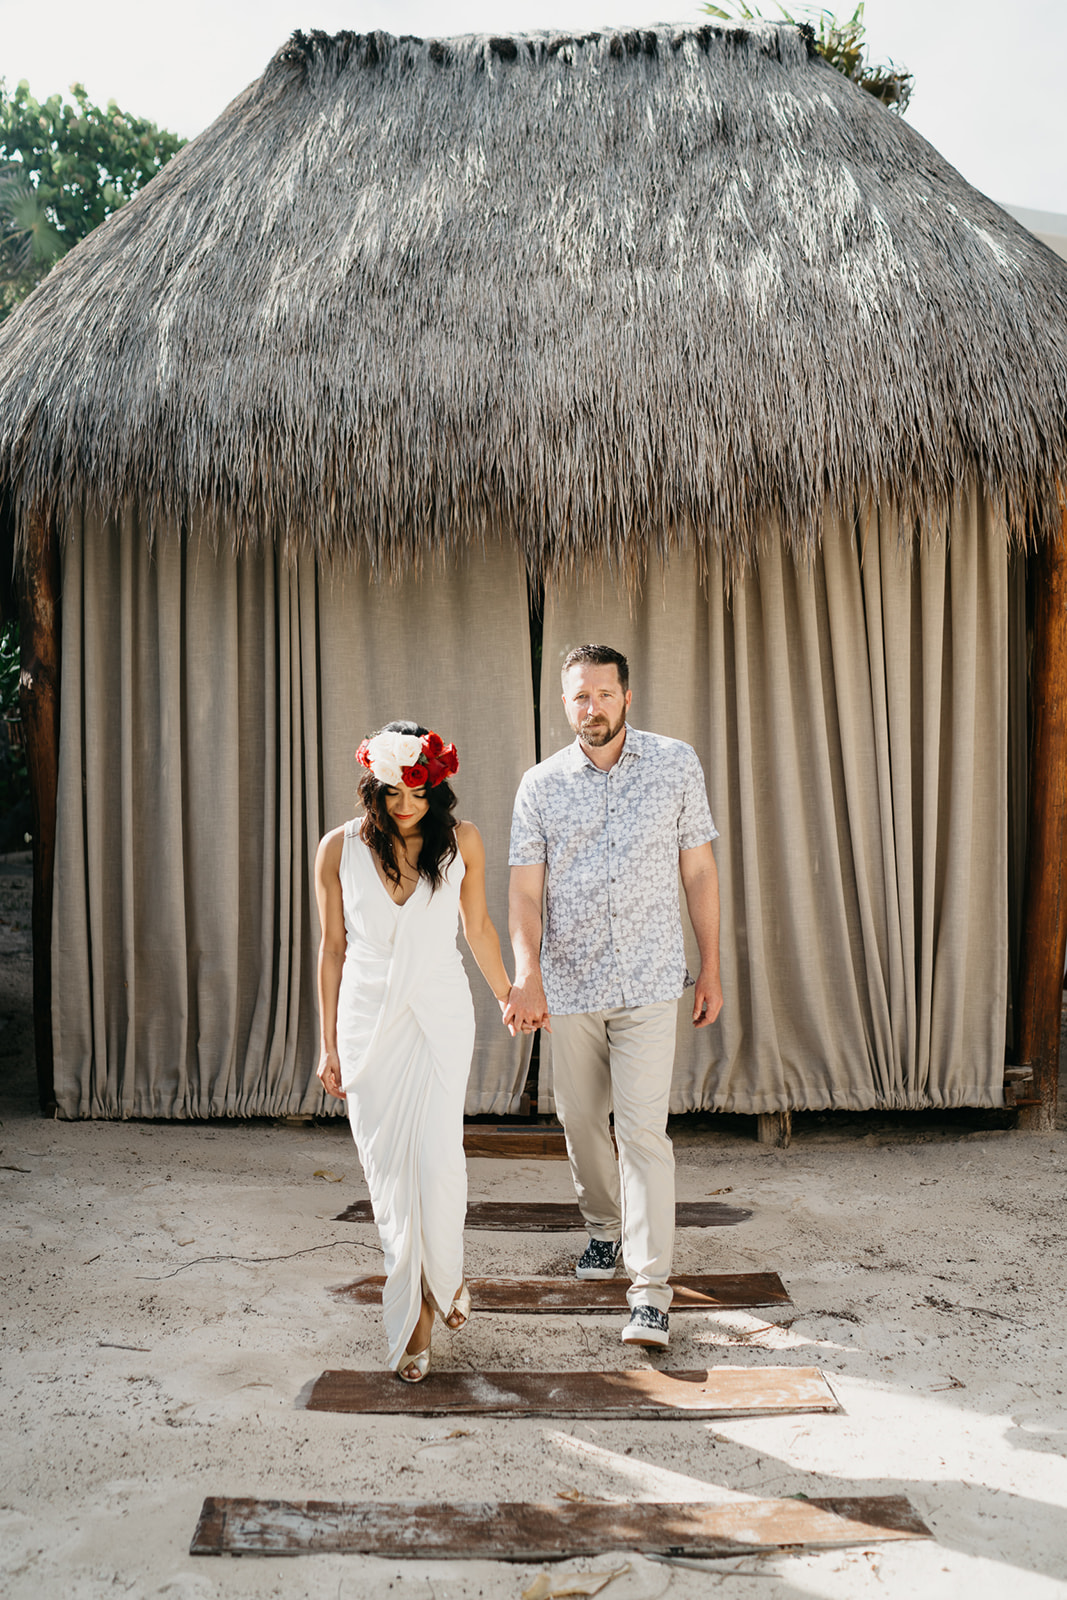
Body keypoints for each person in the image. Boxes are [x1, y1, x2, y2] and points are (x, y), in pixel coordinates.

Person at [505, 645, 722, 1349]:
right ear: (563, 704)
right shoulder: (538, 785)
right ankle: (601, 1228)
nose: (590, 708)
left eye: (602, 694)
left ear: (626, 697)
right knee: (577, 1122)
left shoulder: (675, 764)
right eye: (578, 697)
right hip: (570, 986)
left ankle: (649, 1291)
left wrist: (711, 964)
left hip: (652, 982)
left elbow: (697, 872)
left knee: (640, 1135)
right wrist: (526, 971)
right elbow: (525, 890)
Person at [316, 720, 512, 1382]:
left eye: (418, 792)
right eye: (392, 793)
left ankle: (428, 1303)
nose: (405, 806)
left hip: (439, 1015)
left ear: (437, 788)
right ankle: (427, 1294)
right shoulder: (335, 849)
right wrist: (326, 1045)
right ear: (373, 788)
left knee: (434, 1161)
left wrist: (508, 995)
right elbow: (333, 949)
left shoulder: (462, 843)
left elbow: (477, 928)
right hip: (366, 1021)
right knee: (389, 1175)